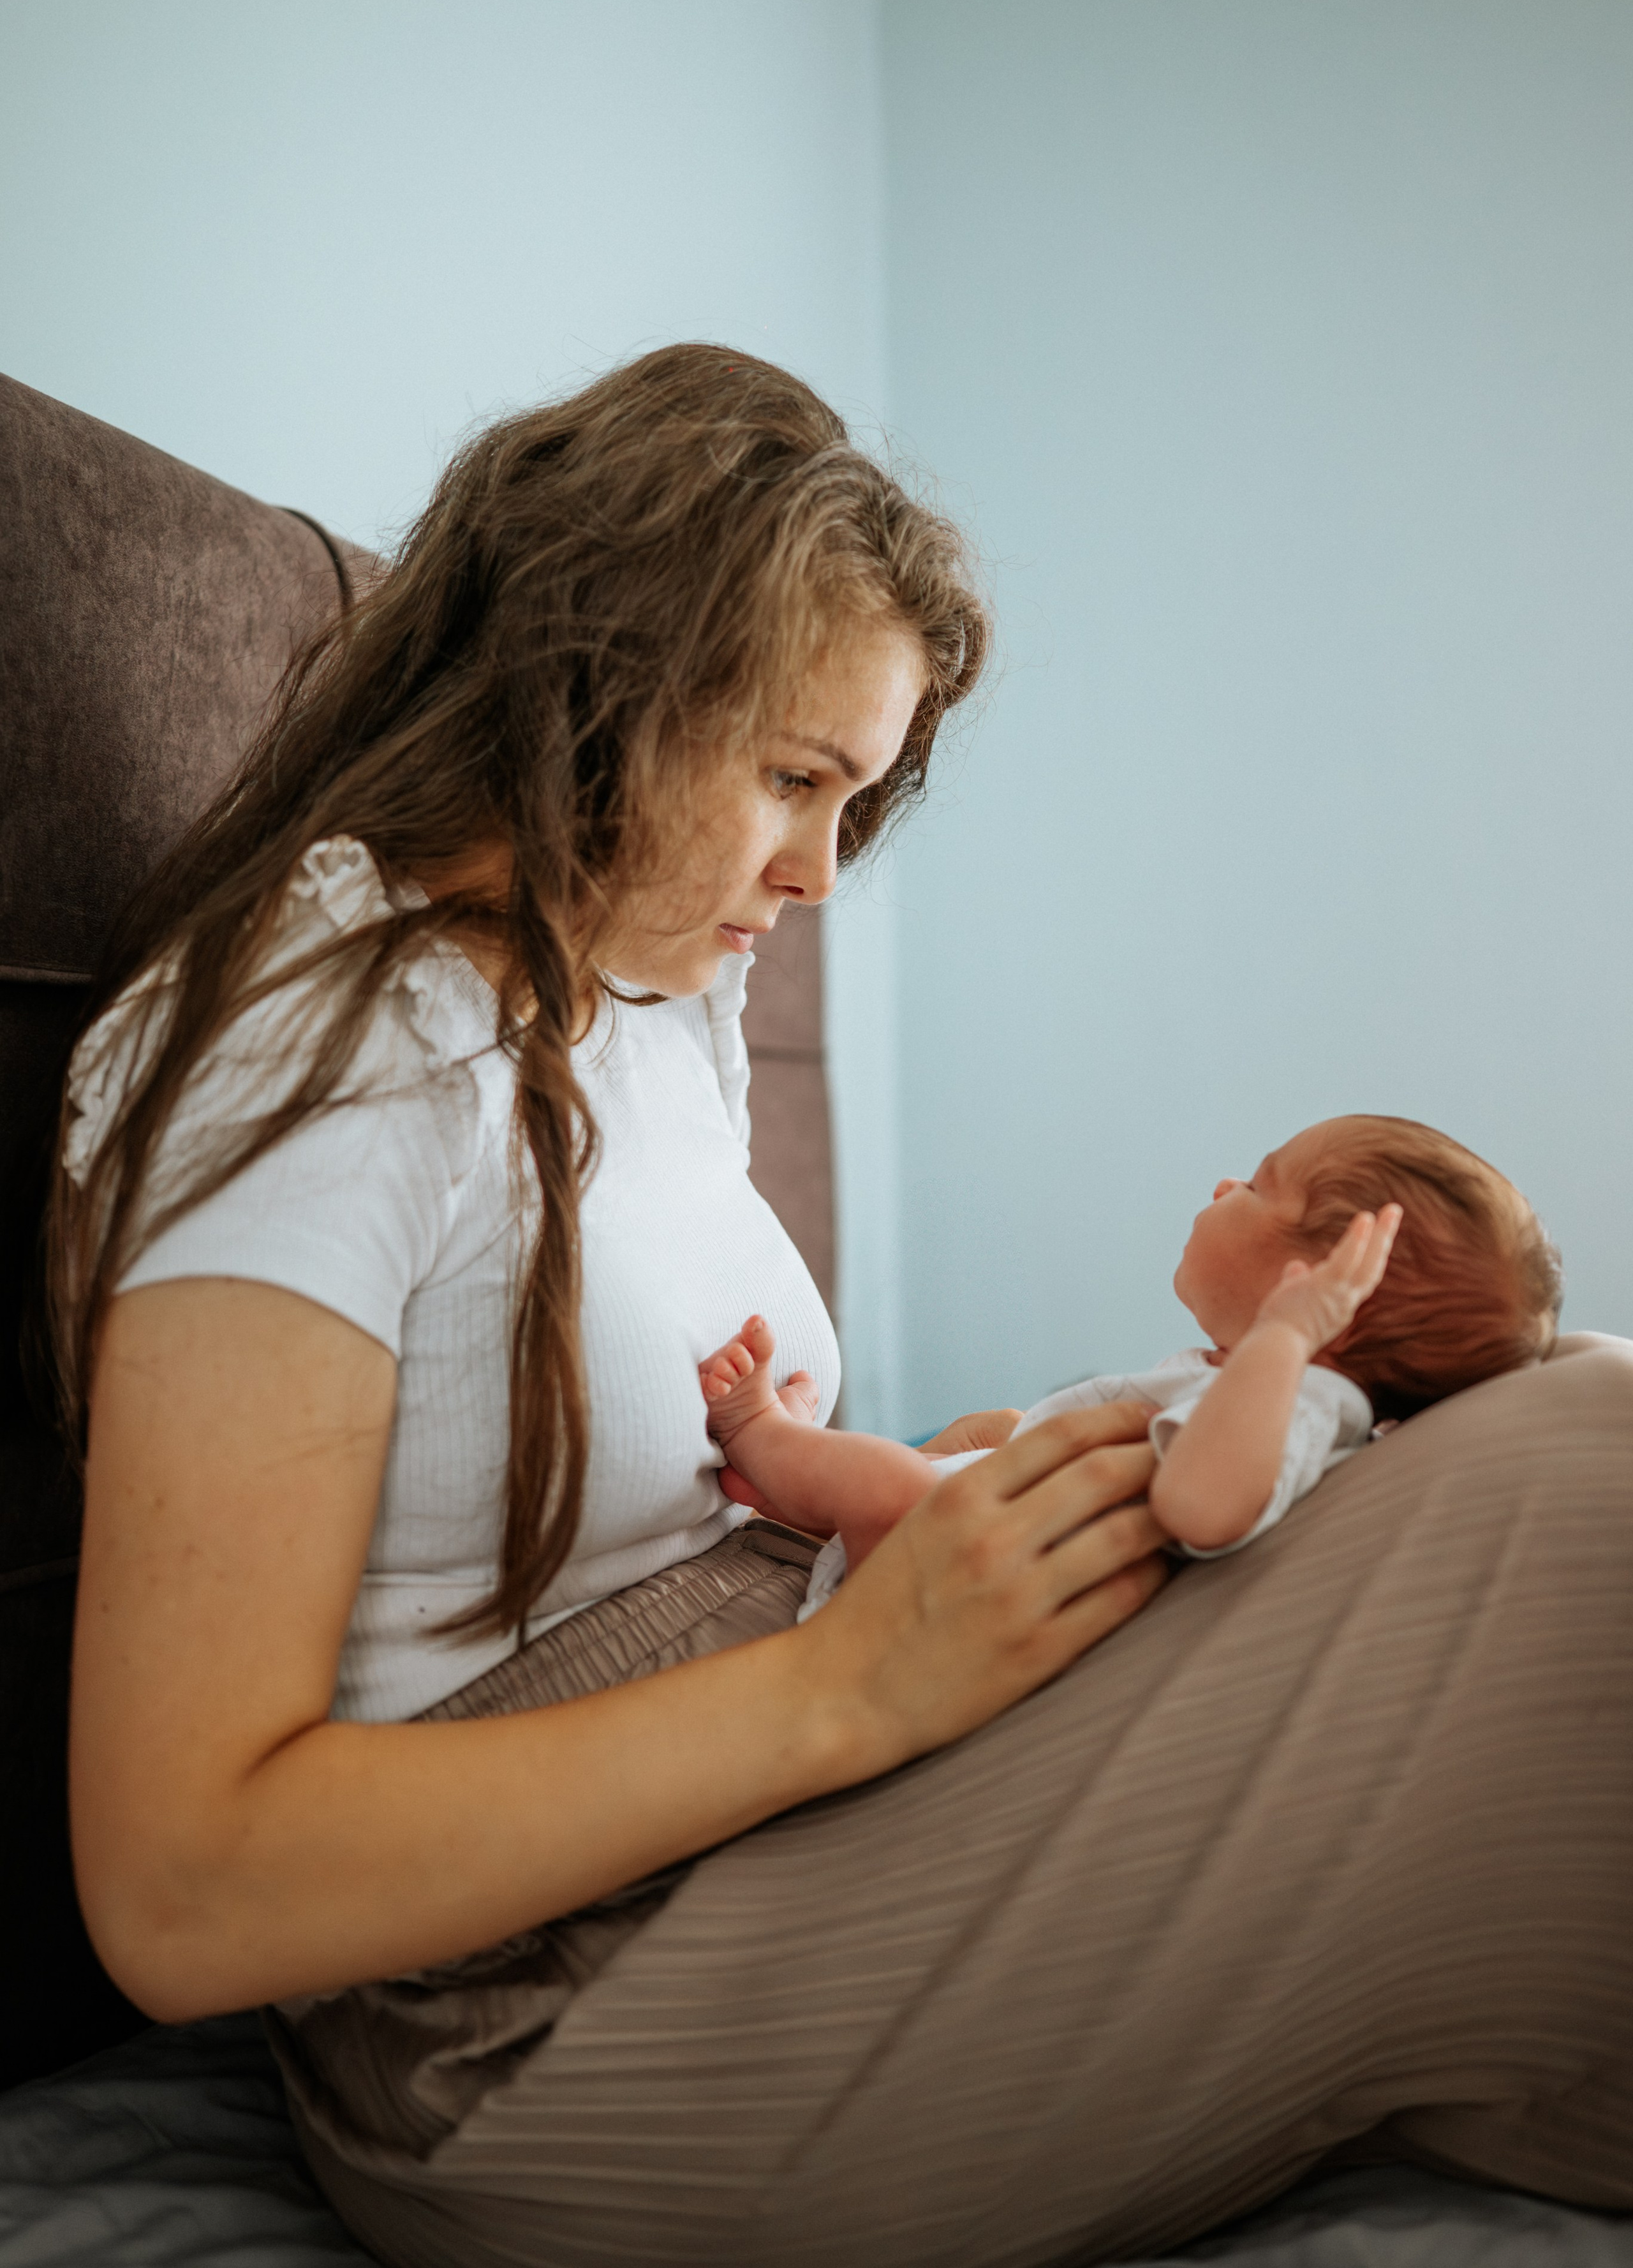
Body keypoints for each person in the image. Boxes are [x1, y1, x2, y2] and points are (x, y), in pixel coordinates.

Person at [51, 346, 1633, 2268]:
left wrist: (940, 1514)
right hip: (532, 2011)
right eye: (794, 779)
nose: (814, 871)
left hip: (771, 1813)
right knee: (1585, 1468)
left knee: (1515, 1424)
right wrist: (852, 1682)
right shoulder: (328, 1046)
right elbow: (184, 1887)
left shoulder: (647, 1007)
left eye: (850, 797)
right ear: (591, 688)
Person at [701, 1116, 1563, 1596]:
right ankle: (798, 1482)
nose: (1225, 1187)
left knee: (899, 1488)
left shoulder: (1311, 1403)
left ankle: (762, 1434)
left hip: (957, 1589)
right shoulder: (1281, 1390)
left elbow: (1201, 1506)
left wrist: (1283, 1339)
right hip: (978, 1537)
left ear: (1317, 1295)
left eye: (1258, 1185)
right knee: (982, 1439)